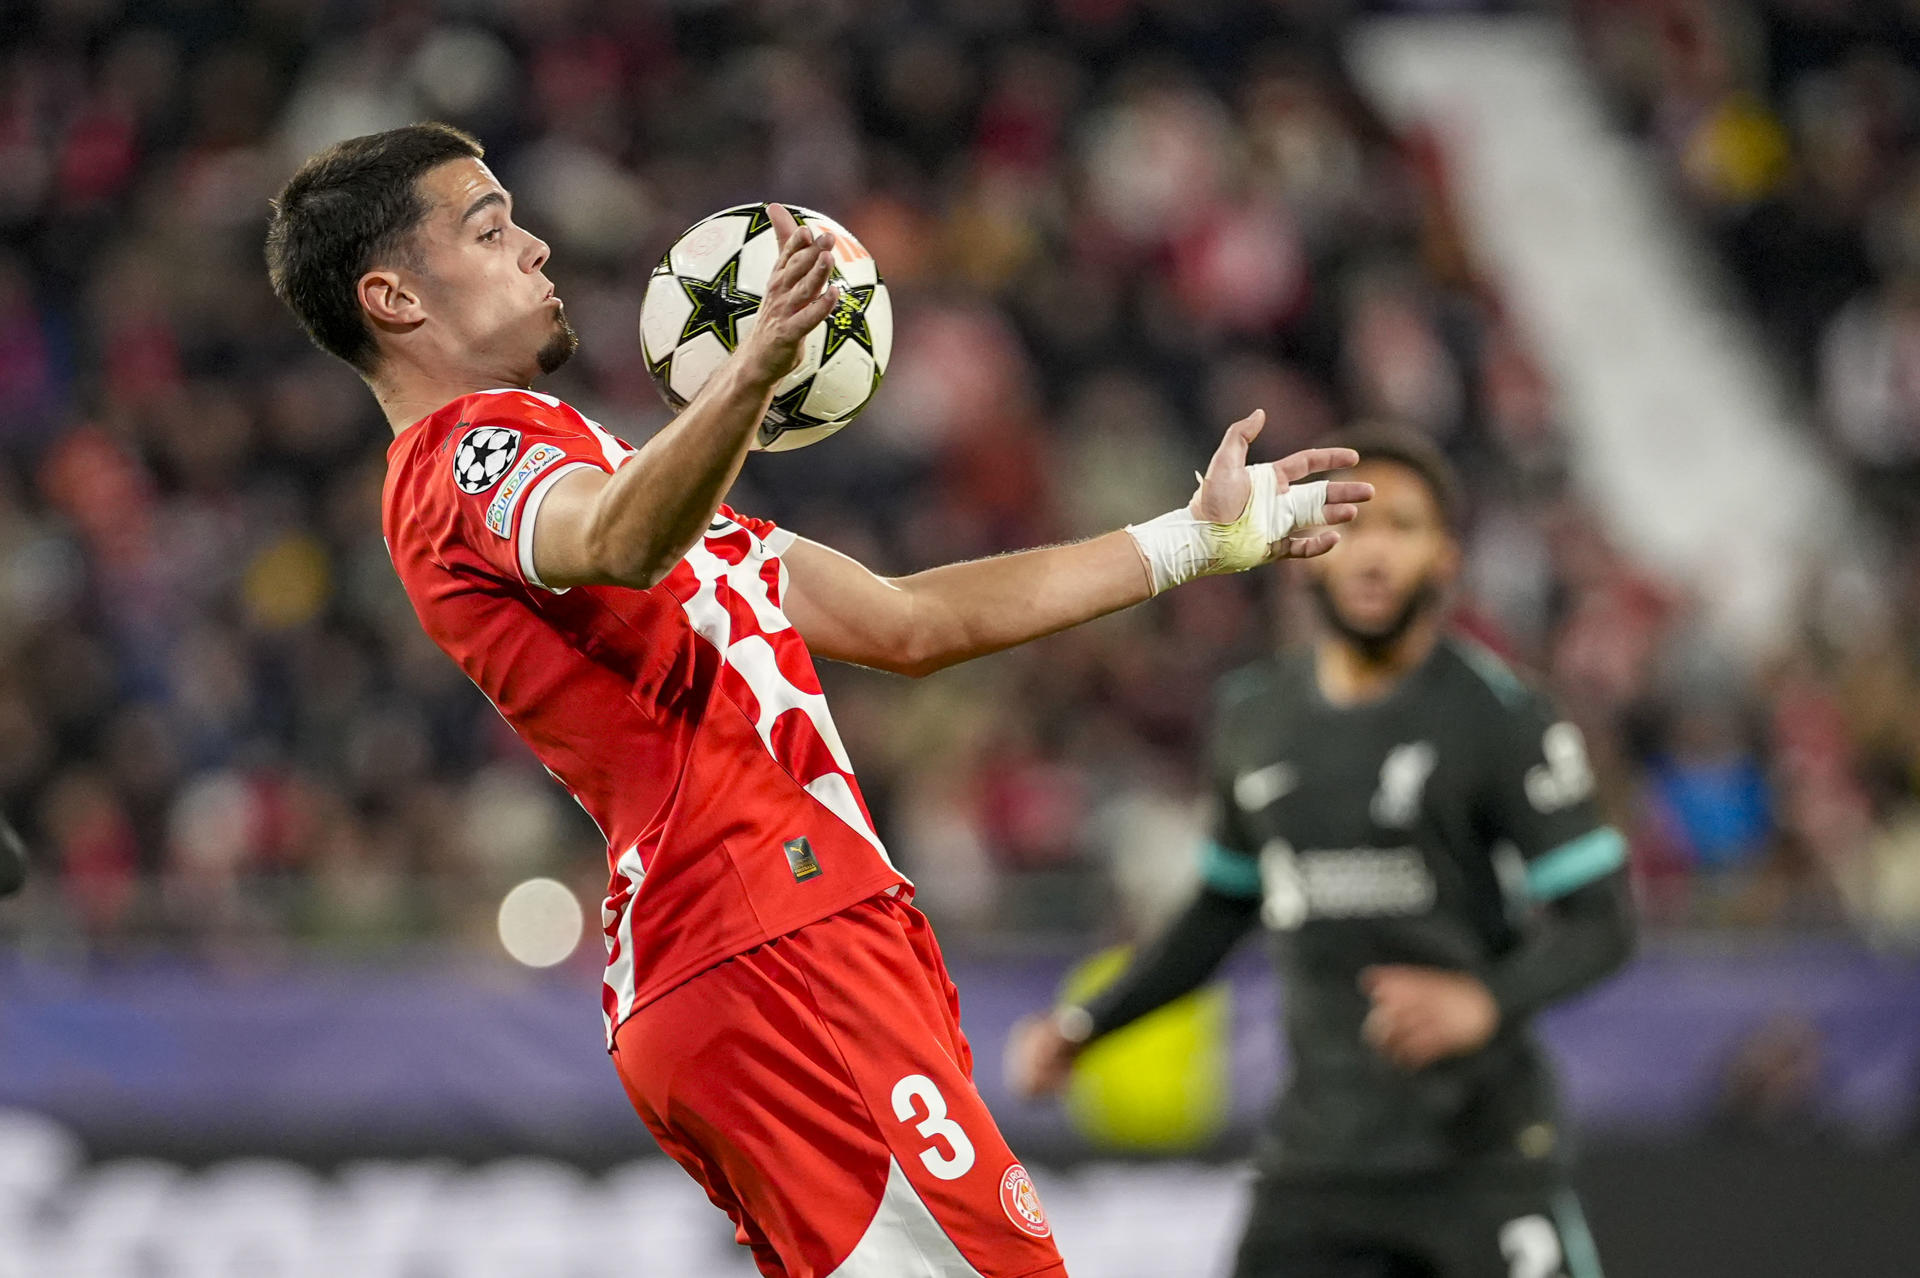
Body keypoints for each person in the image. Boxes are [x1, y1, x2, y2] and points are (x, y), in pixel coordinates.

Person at [263, 122, 1371, 1278]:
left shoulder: (588, 460)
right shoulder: (464, 463)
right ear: (391, 298)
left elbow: (908, 623)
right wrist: (754, 364)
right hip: (767, 937)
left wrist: (1197, 540)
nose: (538, 247)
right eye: (490, 229)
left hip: (779, 941)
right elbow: (619, 538)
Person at [1007, 427, 1635, 1278]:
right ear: (1307, 550)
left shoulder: (1502, 717)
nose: (1373, 553)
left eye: (1403, 527)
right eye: (1355, 522)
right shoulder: (1255, 716)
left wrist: (1483, 1000)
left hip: (1480, 1157)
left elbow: (1604, 924)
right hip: (1318, 1163)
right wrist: (1089, 1026)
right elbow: (1224, 908)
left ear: (1446, 557)